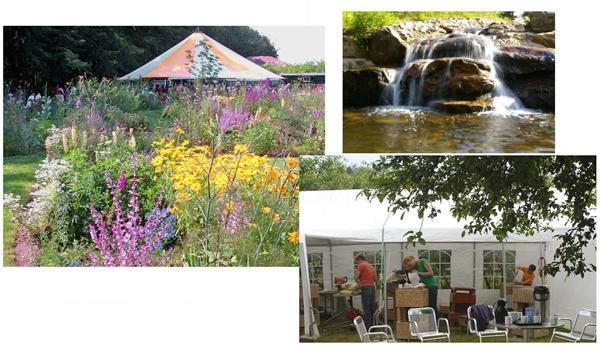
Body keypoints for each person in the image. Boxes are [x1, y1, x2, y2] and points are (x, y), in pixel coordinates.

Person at [354, 254, 377, 329]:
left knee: (366, 308)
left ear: (360, 259)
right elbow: (376, 279)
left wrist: (359, 283)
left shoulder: (361, 265)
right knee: (372, 308)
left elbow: (356, 277)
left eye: (357, 262)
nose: (357, 264)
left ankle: (368, 327)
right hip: (372, 287)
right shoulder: (371, 266)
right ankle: (374, 326)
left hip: (365, 287)